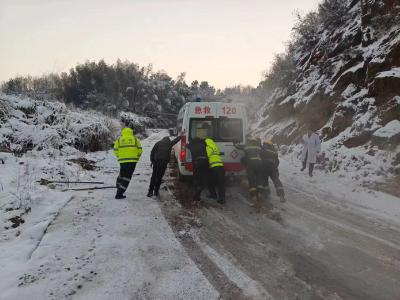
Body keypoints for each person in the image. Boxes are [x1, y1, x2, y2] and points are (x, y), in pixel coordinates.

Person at [234, 136, 266, 204]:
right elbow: (263, 153)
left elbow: (238, 146)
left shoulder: (246, 146)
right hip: (259, 163)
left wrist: (234, 143)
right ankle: (260, 193)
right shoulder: (258, 146)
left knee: (251, 179)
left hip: (251, 164)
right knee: (259, 178)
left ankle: (253, 195)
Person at [113, 127, 142, 199]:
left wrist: (120, 156)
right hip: (132, 161)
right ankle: (119, 194)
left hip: (122, 161)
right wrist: (136, 158)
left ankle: (118, 185)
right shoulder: (136, 140)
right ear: (131, 132)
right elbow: (140, 151)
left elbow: (115, 150)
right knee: (127, 177)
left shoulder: (119, 140)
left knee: (122, 174)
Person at [186, 137, 209, 202]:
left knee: (196, 177)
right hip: (205, 162)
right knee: (203, 177)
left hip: (197, 162)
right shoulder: (203, 144)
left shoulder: (191, 144)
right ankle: (201, 187)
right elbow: (205, 142)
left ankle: (197, 192)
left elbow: (186, 145)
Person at [205, 138, 225, 204]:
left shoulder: (207, 148)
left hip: (214, 167)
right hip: (221, 167)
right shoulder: (215, 147)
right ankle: (222, 199)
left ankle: (213, 195)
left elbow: (206, 157)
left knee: (210, 182)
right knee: (221, 183)